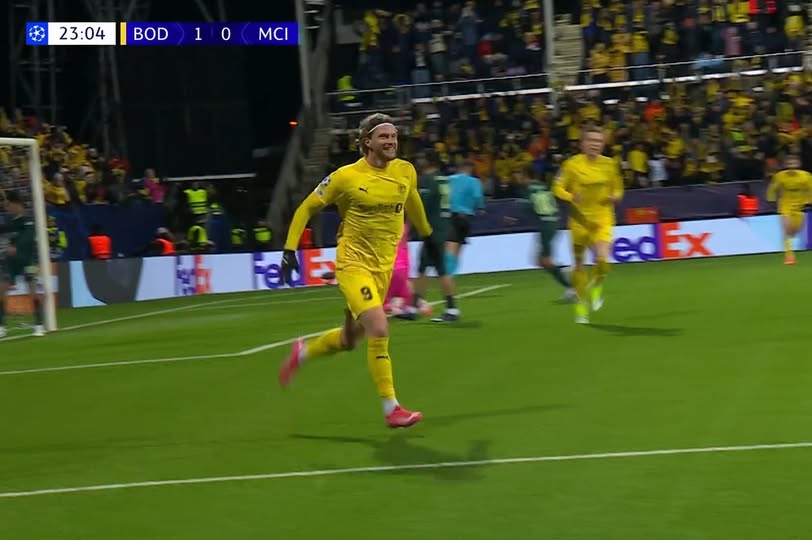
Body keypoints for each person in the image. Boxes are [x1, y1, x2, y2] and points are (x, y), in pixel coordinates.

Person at [277, 112, 443, 429]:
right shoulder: (346, 177)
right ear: (367, 142)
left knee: (349, 340)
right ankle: (391, 408)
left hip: (382, 269)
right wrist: (289, 249)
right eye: (384, 136)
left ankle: (303, 353)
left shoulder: (405, 171)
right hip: (353, 265)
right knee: (379, 328)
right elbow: (306, 207)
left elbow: (413, 201)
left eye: (394, 136)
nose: (391, 141)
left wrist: (429, 236)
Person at [553, 126, 623, 324]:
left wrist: (615, 197)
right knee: (579, 264)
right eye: (591, 140)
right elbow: (556, 187)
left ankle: (597, 285)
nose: (595, 144)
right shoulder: (571, 165)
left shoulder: (610, 164)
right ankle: (581, 305)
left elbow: (618, 189)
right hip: (579, 221)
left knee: (603, 260)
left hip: (602, 219)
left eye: (599, 141)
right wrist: (570, 196)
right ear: (582, 143)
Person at [398, 152, 459, 322]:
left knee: (438, 270)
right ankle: (414, 307)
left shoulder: (427, 181)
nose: (418, 161)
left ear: (429, 161)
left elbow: (417, 207)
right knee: (425, 268)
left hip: (432, 231)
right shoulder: (443, 179)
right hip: (442, 228)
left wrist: (407, 229)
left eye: (422, 158)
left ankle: (451, 309)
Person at [507, 167, 576, 301]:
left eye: (520, 175)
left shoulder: (527, 189)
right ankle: (565, 275)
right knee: (541, 260)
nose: (518, 178)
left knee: (544, 260)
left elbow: (526, 206)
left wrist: (514, 217)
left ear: (525, 176)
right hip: (554, 222)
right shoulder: (545, 186)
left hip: (546, 224)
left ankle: (571, 286)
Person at [0, 190, 44, 338]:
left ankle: (39, 324)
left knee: (33, 291)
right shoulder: (10, 223)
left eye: (9, 205)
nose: (7, 209)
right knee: (1, 291)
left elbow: (28, 238)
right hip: (10, 262)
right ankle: (1, 326)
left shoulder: (28, 220)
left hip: (27, 260)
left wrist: (16, 245)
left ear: (17, 204)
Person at [766, 153, 812, 265]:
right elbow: (772, 188)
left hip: (800, 207)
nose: (792, 166)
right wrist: (771, 200)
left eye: (794, 163)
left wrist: (809, 202)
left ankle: (791, 240)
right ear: (786, 165)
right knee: (786, 230)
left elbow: (811, 190)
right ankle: (789, 256)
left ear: (798, 164)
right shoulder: (780, 176)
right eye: (789, 164)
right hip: (785, 205)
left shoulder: (806, 176)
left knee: (794, 232)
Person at [446, 160, 485, 275]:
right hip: (466, 216)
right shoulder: (474, 181)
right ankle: (451, 274)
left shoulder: (448, 180)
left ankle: (447, 275)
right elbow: (478, 197)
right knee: (458, 245)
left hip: (450, 215)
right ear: (470, 169)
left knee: (450, 244)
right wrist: (481, 208)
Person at [383, 223, 413, 315]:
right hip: (398, 265)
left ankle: (392, 305)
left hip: (393, 265)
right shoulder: (403, 226)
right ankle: (394, 305)